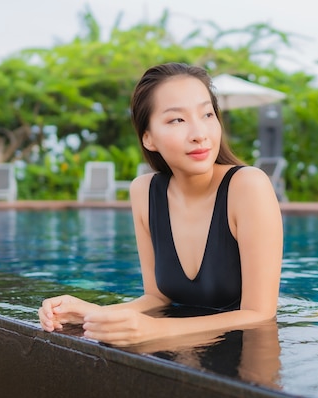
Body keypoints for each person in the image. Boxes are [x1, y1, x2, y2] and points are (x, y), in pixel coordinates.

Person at [38, 63, 284, 347]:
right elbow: (157, 298)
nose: (199, 133)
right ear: (148, 138)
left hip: (245, 359)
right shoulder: (144, 191)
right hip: (179, 354)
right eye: (177, 120)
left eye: (207, 114)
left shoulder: (248, 187)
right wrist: (93, 314)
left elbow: (260, 315)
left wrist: (157, 330)